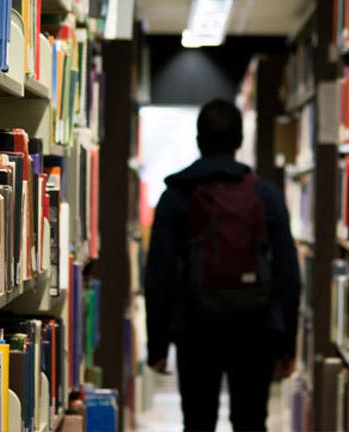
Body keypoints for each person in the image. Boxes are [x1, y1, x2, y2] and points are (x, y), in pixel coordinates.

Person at [144, 99, 301, 431]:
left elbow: (159, 274)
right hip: (255, 327)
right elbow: (288, 273)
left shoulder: (175, 195)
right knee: (251, 421)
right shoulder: (266, 195)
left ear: (199, 140)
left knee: (198, 421)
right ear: (239, 140)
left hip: (195, 329)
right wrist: (286, 344)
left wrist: (157, 344)